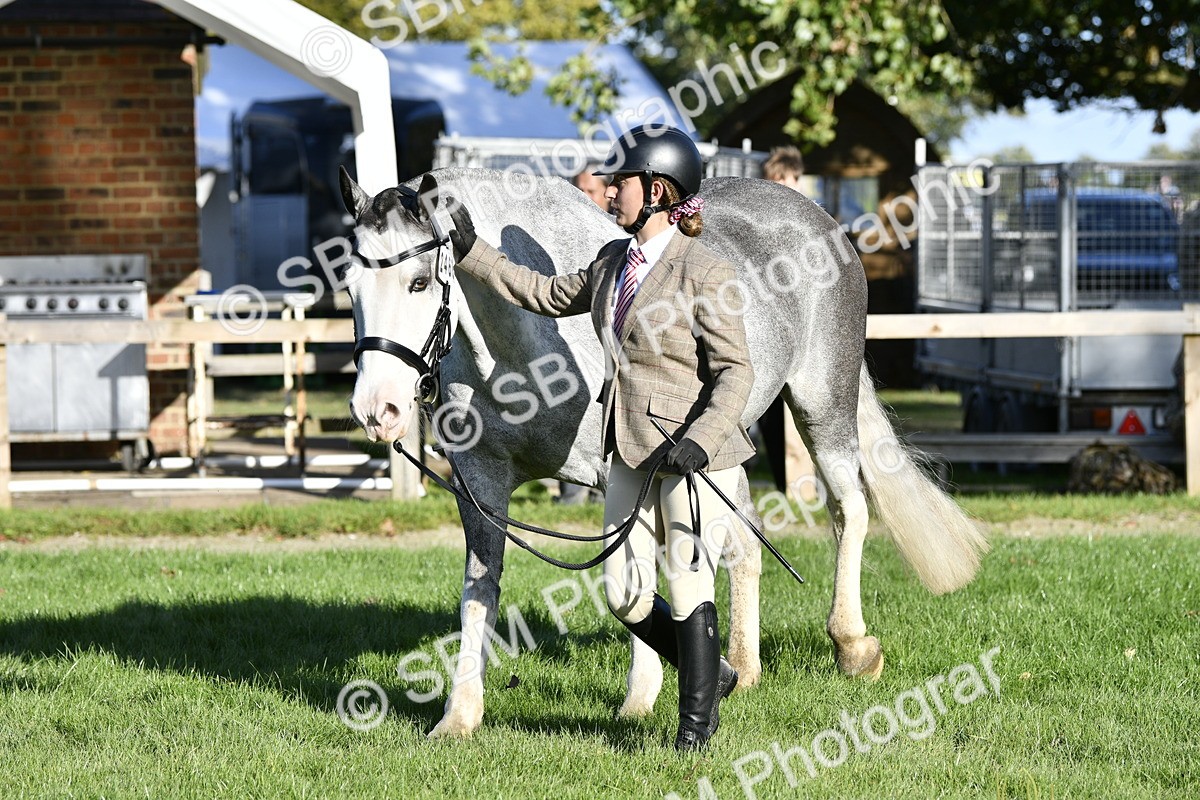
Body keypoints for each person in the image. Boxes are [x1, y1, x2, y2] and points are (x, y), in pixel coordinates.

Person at [448, 125, 750, 751]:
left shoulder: (705, 269)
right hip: (628, 448)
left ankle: (694, 732)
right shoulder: (614, 263)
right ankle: (709, 671)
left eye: (622, 183)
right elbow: (543, 293)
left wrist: (701, 440)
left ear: (660, 190)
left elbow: (735, 372)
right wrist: (473, 250)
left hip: (693, 455)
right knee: (625, 595)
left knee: (689, 586)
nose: (610, 192)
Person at [758, 145, 819, 502]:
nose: (777, 188)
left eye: (782, 181)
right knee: (769, 418)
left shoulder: (812, 222)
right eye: (772, 181)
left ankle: (809, 491)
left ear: (797, 179)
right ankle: (788, 488)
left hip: (806, 334)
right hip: (770, 331)